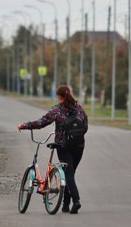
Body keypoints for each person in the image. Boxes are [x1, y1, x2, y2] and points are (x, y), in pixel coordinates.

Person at [18, 85, 88, 214]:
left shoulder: (57, 110)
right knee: (70, 174)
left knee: (68, 173)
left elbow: (41, 122)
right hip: (79, 146)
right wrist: (75, 136)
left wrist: (25, 125)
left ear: (59, 96)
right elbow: (85, 126)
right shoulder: (79, 109)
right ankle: (66, 205)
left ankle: (76, 200)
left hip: (63, 146)